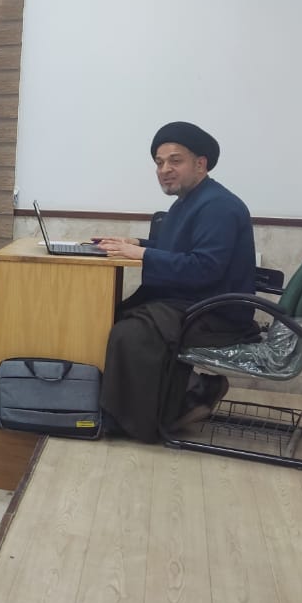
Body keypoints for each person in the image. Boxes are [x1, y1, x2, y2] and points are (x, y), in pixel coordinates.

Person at [95, 122, 258, 442]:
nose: (164, 170)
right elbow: (179, 249)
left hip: (217, 314)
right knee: (117, 315)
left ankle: (166, 410)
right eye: (159, 162)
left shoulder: (218, 206)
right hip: (195, 305)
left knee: (130, 332)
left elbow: (204, 268)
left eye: (175, 160)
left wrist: (142, 254)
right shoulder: (190, 200)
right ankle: (190, 393)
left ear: (200, 163)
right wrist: (136, 243)